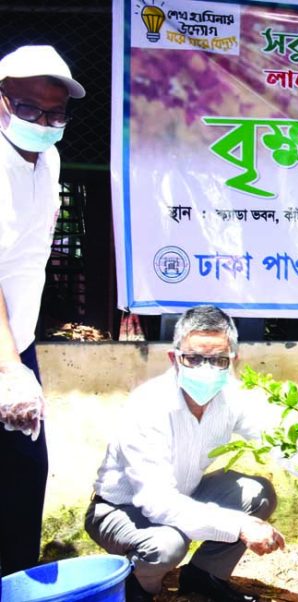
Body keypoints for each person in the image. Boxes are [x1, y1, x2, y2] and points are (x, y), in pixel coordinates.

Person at [84, 305, 298, 602]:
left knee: (257, 494)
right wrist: (240, 525)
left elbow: (283, 445)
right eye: (194, 358)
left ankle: (204, 577)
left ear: (233, 360)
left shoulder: (234, 398)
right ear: (174, 358)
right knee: (166, 544)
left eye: (218, 360)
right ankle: (137, 589)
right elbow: (158, 502)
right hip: (120, 510)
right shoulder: (148, 405)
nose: (206, 369)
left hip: (185, 494)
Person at [0, 44, 85, 581]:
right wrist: (10, 368)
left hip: (17, 341)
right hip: (6, 352)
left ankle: (17, 581)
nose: (43, 122)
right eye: (28, 108)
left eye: (55, 113)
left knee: (25, 472)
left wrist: (17, 358)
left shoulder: (48, 157)